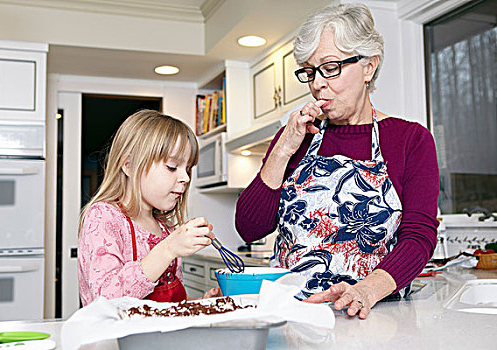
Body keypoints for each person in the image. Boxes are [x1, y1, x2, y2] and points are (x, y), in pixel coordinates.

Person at [235, 3, 439, 319]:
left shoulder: (410, 140)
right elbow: (249, 228)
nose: (317, 83)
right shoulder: (295, 137)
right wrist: (283, 149)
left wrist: (366, 291)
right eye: (308, 71)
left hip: (373, 319)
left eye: (330, 67)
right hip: (290, 316)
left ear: (369, 66)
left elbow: (418, 236)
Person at [78, 110, 221, 306]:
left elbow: (165, 304)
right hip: (118, 336)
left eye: (187, 169)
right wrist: (168, 249)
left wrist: (198, 303)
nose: (186, 178)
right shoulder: (104, 217)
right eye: (172, 167)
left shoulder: (165, 227)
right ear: (128, 165)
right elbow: (103, 300)